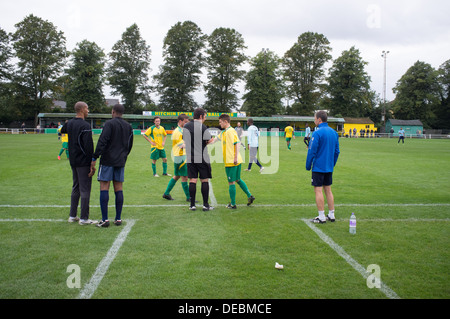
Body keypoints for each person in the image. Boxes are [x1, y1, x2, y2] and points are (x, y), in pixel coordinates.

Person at [91, 104, 134, 227]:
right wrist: (124, 156)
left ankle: (105, 220)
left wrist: (95, 156)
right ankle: (118, 218)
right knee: (118, 188)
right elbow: (129, 145)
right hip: (120, 161)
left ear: (113, 111)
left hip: (107, 160)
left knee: (104, 186)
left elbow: (102, 141)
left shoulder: (109, 124)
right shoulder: (128, 126)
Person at [60, 102, 96, 225]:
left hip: (73, 160)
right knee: (85, 189)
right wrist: (92, 162)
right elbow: (88, 145)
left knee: (76, 187)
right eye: (87, 108)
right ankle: (84, 218)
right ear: (81, 109)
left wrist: (70, 123)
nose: (88, 110)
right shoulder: (85, 125)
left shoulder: (70, 123)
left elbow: (62, 130)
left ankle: (72, 215)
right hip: (83, 162)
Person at [306, 111, 340, 224]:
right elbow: (337, 151)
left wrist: (308, 165)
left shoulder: (317, 133)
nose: (314, 120)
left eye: (315, 118)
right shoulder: (334, 133)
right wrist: (332, 164)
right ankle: (331, 214)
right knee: (328, 190)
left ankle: (321, 216)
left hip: (318, 167)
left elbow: (311, 151)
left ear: (319, 119)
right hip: (329, 167)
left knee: (318, 190)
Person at [215, 114, 255, 209]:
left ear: (225, 122)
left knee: (231, 182)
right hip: (235, 160)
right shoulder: (224, 132)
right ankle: (250, 196)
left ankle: (233, 204)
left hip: (231, 161)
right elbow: (214, 140)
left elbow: (237, 143)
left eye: (220, 122)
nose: (219, 124)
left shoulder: (230, 131)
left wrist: (235, 157)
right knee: (237, 179)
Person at [183, 108, 214, 211]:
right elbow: (209, 140)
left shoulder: (186, 126)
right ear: (201, 116)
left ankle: (192, 205)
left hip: (190, 156)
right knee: (204, 180)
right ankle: (205, 205)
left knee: (192, 180)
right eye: (205, 116)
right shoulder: (203, 127)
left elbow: (185, 140)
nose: (205, 118)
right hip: (202, 156)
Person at [162, 114, 191, 202]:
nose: (186, 124)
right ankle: (188, 197)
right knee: (184, 177)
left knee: (177, 175)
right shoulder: (177, 132)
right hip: (181, 156)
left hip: (179, 156)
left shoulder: (182, 130)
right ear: (180, 121)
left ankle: (166, 193)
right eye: (185, 122)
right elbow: (182, 145)